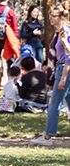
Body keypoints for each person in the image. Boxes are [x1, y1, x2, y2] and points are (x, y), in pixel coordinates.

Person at [30, 9, 70, 144]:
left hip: (64, 70)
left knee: (54, 104)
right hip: (61, 69)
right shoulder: (59, 32)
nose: (50, 18)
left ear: (61, 18)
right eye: (49, 15)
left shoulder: (65, 32)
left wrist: (63, 78)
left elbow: (69, 57)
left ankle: (48, 136)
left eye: (53, 16)